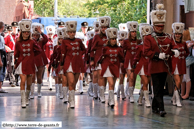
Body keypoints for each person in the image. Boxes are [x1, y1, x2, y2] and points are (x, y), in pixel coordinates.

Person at [143, 4, 180, 117]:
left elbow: (174, 45)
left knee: (161, 87)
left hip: (164, 66)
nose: (160, 28)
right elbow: (146, 52)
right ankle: (161, 109)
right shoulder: (148, 38)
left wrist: (175, 51)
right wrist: (158, 55)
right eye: (158, 26)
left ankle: (155, 106)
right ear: (153, 26)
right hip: (154, 66)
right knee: (158, 87)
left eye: (161, 26)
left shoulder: (168, 36)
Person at [14, 19, 41, 108]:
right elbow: (16, 53)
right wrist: (15, 62)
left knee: (29, 83)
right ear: (21, 32)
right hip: (22, 63)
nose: (26, 33)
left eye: (27, 32)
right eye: (24, 32)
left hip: (30, 63)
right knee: (23, 81)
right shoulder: (18, 42)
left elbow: (39, 50)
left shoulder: (32, 41)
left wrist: (32, 55)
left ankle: (26, 97)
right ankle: (23, 100)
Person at [60, 21, 86, 108]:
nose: (72, 34)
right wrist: (62, 63)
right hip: (68, 63)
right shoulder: (64, 41)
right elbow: (63, 52)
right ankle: (72, 101)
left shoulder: (78, 40)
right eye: (70, 32)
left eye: (73, 32)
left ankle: (70, 97)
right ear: (67, 33)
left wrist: (79, 53)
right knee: (70, 81)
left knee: (74, 83)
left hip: (77, 63)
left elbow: (84, 49)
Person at [97, 28, 124, 108]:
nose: (114, 40)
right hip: (107, 66)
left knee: (114, 83)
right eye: (112, 39)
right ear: (109, 40)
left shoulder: (119, 48)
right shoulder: (105, 48)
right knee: (111, 83)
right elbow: (102, 56)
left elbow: (122, 57)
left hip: (115, 66)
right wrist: (98, 63)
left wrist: (122, 63)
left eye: (115, 39)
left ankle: (109, 99)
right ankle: (112, 101)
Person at [132, 24, 153, 107]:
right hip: (142, 67)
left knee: (146, 83)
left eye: (147, 36)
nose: (146, 37)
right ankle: (147, 101)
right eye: (144, 36)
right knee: (145, 83)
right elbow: (136, 57)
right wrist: (134, 64)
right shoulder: (140, 46)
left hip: (150, 66)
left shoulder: (152, 46)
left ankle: (140, 98)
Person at [90, 16, 111, 100]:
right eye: (102, 27)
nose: (103, 29)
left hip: (108, 60)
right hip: (99, 59)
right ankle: (98, 94)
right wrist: (92, 60)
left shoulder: (110, 36)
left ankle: (102, 91)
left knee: (106, 77)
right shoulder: (96, 37)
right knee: (100, 76)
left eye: (105, 27)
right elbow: (92, 49)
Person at [171, 22, 189, 107]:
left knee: (180, 82)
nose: (177, 35)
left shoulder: (184, 43)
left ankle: (174, 98)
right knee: (177, 81)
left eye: (179, 34)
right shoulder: (171, 43)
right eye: (176, 34)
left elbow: (187, 52)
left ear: (181, 34)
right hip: (175, 65)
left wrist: (182, 56)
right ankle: (178, 100)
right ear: (173, 34)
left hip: (182, 64)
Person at [123, 21, 141, 103]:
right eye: (132, 32)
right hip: (129, 61)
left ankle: (131, 92)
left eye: (135, 32)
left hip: (136, 61)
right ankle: (131, 96)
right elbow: (123, 51)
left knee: (134, 79)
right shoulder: (126, 41)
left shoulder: (138, 41)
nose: (134, 33)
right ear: (129, 33)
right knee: (131, 77)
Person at [30, 23, 48, 98]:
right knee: (32, 77)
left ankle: (39, 91)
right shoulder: (30, 41)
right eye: (34, 35)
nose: (35, 36)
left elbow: (46, 39)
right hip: (32, 60)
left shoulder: (41, 41)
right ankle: (32, 93)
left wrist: (41, 32)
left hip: (40, 60)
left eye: (37, 35)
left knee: (39, 77)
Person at [117, 30, 128, 100]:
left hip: (126, 64)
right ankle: (123, 94)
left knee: (127, 78)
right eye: (120, 40)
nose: (122, 42)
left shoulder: (127, 48)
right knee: (121, 78)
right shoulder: (118, 48)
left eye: (123, 40)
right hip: (120, 64)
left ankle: (119, 92)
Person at [44, 25, 55, 90]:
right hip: (48, 57)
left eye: (51, 34)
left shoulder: (55, 40)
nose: (50, 35)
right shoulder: (46, 41)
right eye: (49, 34)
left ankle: (51, 80)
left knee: (53, 70)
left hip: (54, 57)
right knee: (49, 69)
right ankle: (49, 83)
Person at [85, 31, 95, 97]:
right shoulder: (89, 42)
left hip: (96, 59)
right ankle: (90, 90)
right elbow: (87, 52)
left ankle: (91, 90)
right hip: (90, 60)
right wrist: (87, 62)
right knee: (92, 76)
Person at [0, 21, 7, 93]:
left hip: (2, 54)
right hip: (1, 56)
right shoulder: (0, 37)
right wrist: (0, 60)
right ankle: (0, 87)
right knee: (1, 71)